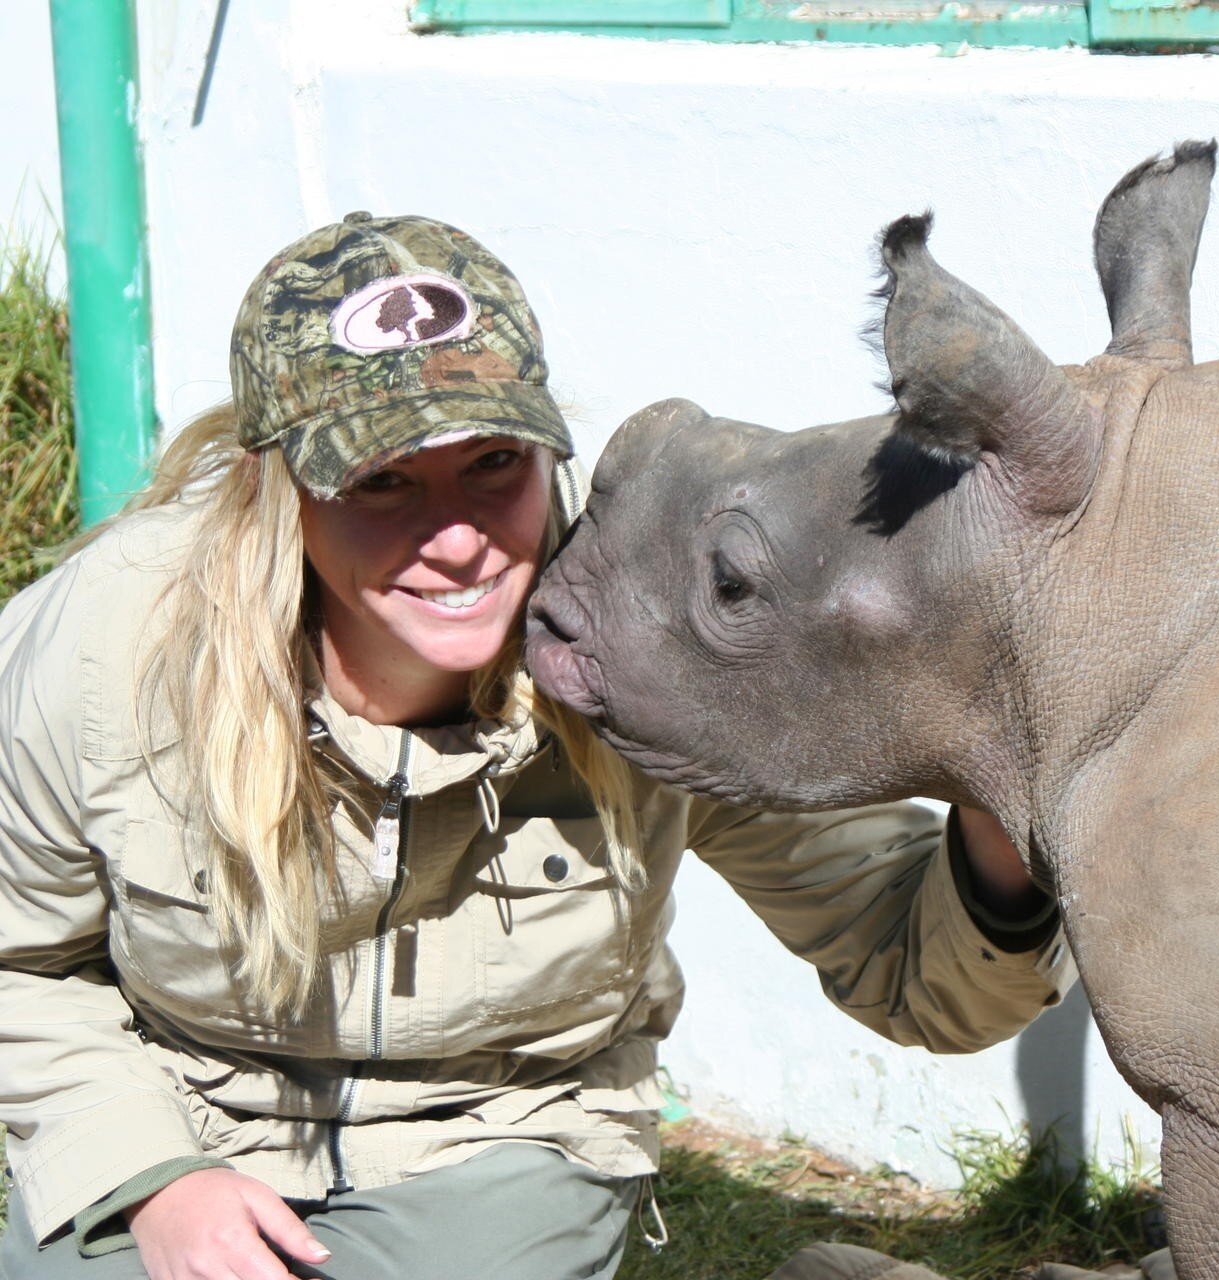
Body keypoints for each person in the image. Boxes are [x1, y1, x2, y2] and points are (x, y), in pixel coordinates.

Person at [0, 213, 1071, 1279]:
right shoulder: (110, 646)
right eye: (383, 480)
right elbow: (17, 965)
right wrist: (151, 1175)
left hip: (501, 1139)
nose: (458, 535)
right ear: (278, 484)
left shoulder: (653, 628)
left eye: (493, 463)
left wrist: (991, 786)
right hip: (184, 1113)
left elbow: (918, 968)